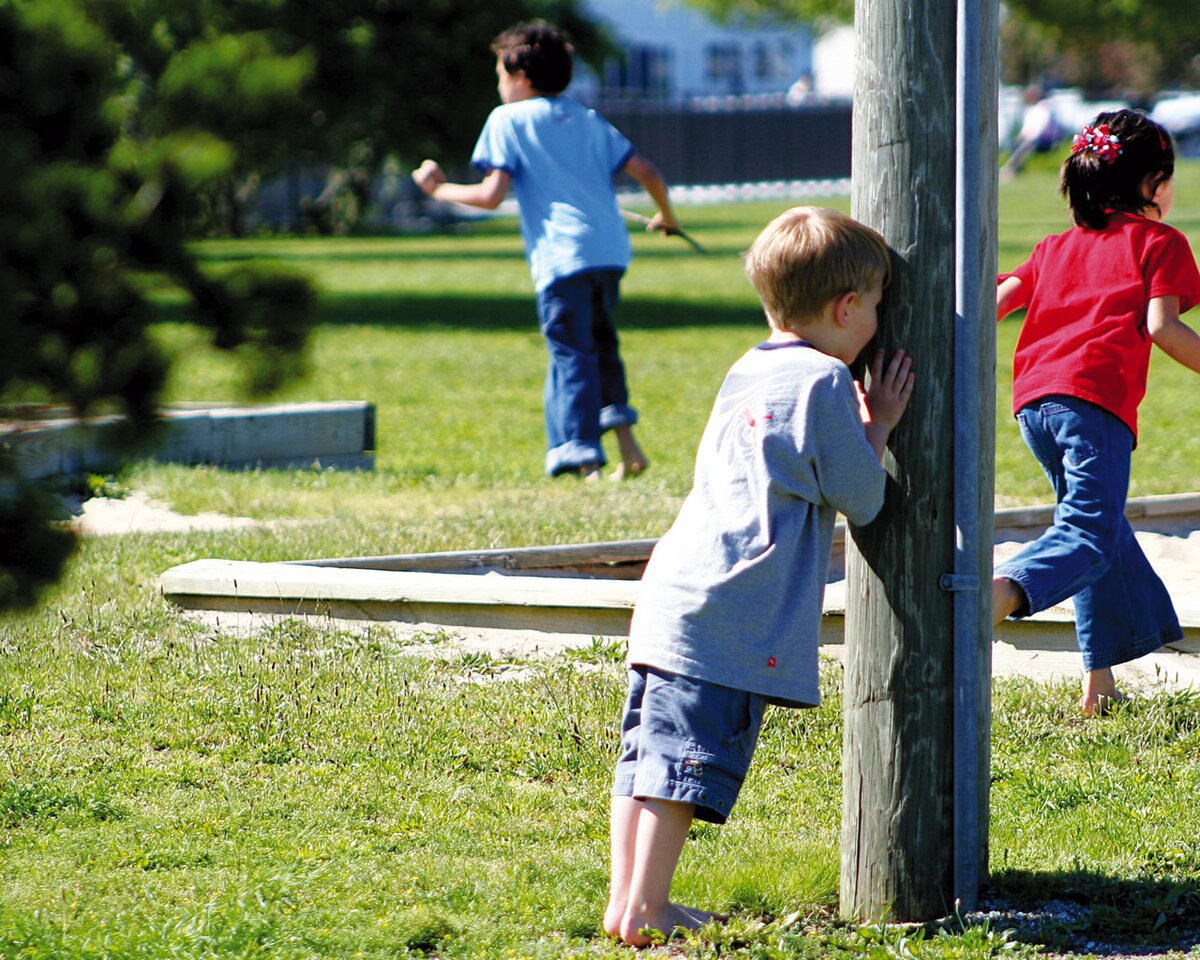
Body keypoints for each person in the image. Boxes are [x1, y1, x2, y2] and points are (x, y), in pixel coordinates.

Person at [603, 207, 915, 946]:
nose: (877, 320)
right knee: (681, 765)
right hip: (727, 609)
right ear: (846, 308)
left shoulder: (749, 367)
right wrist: (879, 429)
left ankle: (628, 902)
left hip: (676, 591)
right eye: (874, 306)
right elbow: (863, 497)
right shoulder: (825, 385)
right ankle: (646, 910)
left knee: (646, 758)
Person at [993, 109, 1200, 717]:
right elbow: (1164, 327)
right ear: (1148, 185)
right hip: (1094, 404)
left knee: (1098, 531)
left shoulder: (1053, 247)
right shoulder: (1160, 243)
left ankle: (1098, 684)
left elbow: (994, 303)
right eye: (1166, 175)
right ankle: (992, 598)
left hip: (1035, 404)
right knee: (1086, 534)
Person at [411, 20, 680, 480]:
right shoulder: (587, 118)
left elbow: (492, 195)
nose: (499, 86)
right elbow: (648, 171)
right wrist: (666, 216)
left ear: (520, 77)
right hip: (609, 253)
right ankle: (628, 448)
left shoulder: (507, 120)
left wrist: (439, 191)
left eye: (500, 76)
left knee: (570, 353)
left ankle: (583, 460)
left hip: (561, 258)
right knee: (602, 346)